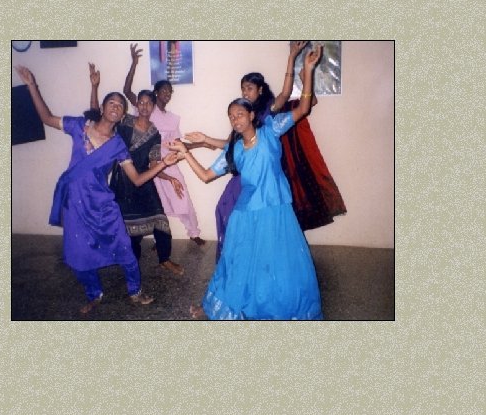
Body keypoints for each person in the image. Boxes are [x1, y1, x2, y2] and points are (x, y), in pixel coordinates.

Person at [166, 44, 325, 320]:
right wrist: (185, 153)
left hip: (275, 211)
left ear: (252, 115)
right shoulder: (234, 150)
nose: (235, 119)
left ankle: (276, 306)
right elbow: (206, 175)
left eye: (239, 114)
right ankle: (221, 306)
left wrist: (308, 69)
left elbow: (303, 108)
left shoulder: (271, 129)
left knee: (279, 264)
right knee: (236, 262)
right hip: (245, 214)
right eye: (231, 116)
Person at [14, 63, 181, 314]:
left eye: (120, 105)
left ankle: (135, 290)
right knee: (78, 252)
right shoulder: (79, 126)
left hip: (103, 203)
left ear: (123, 114)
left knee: (125, 247)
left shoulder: (118, 145)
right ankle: (94, 294)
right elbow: (47, 118)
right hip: (75, 203)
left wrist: (163, 164)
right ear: (102, 108)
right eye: (111, 103)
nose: (116, 106)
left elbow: (137, 179)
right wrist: (31, 86)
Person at [186, 41, 346, 261]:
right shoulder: (239, 117)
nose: (245, 92)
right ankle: (234, 258)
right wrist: (196, 144)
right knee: (224, 211)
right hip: (245, 174)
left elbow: (288, 95)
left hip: (266, 176)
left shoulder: (268, 115)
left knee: (266, 226)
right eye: (243, 88)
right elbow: (229, 146)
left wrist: (293, 58)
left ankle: (255, 258)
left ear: (259, 91)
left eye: (249, 88)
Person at [88, 59, 184, 276]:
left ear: (153, 106)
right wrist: (94, 87)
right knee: (128, 228)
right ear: (136, 105)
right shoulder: (124, 122)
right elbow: (97, 116)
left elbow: (154, 164)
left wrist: (170, 178)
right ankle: (130, 262)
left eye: (148, 103)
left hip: (144, 181)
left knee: (160, 219)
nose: (144, 106)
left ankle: (165, 259)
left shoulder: (155, 134)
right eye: (141, 102)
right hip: (122, 182)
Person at [123, 43, 206, 246]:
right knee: (155, 203)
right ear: (156, 92)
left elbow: (177, 144)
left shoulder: (172, 118)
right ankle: (159, 238)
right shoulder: (145, 109)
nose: (167, 94)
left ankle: (193, 232)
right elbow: (126, 91)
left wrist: (202, 144)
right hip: (148, 165)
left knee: (182, 196)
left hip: (167, 162)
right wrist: (134, 63)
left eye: (170, 92)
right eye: (164, 91)